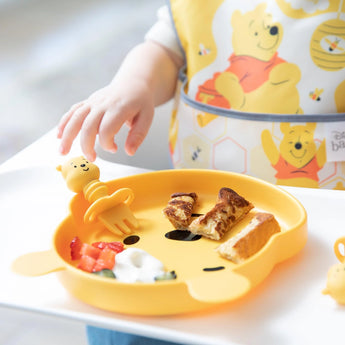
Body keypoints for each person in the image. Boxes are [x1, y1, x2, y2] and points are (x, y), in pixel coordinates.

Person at [57, 1, 345, 343]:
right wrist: (135, 83)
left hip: (325, 234)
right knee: (133, 320)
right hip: (193, 215)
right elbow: (167, 48)